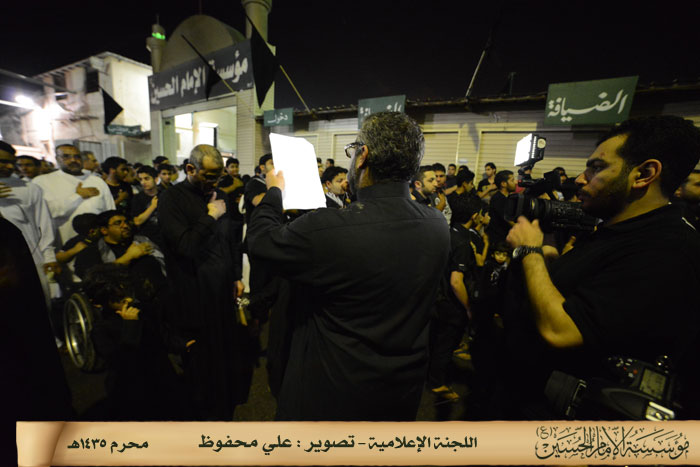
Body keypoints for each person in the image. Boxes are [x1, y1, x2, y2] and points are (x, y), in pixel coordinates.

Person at [247, 111, 450, 421]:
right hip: (399, 393)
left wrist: (274, 191)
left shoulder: (328, 227)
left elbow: (261, 243)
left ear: (363, 155)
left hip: (330, 395)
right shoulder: (437, 224)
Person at [504, 115, 700, 419]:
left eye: (596, 168)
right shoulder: (619, 228)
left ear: (644, 174)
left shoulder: (667, 250)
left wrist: (529, 251)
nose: (581, 179)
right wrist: (550, 264)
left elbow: (562, 330)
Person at [158, 144, 249, 420]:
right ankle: (204, 411)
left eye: (218, 176)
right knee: (202, 354)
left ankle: (226, 399)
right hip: (194, 290)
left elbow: (232, 240)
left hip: (223, 286)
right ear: (190, 169)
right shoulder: (171, 198)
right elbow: (185, 246)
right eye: (208, 176)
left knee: (226, 347)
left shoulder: (221, 195)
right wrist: (209, 216)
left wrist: (236, 275)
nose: (214, 182)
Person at [0, 141, 60, 303]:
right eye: (2, 161)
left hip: (28, 257)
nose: (8, 166)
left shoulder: (29, 189)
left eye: (11, 162)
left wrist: (49, 256)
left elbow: (43, 224)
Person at [33, 144, 115, 245]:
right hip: (63, 245)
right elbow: (48, 213)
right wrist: (78, 196)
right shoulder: (42, 181)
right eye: (66, 156)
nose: (73, 160)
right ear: (57, 159)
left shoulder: (97, 181)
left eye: (77, 156)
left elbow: (110, 212)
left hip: (99, 244)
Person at [486, 170, 516, 245]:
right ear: (503, 184)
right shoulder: (498, 199)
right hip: (499, 241)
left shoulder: (509, 197)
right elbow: (509, 220)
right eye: (512, 180)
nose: (515, 182)